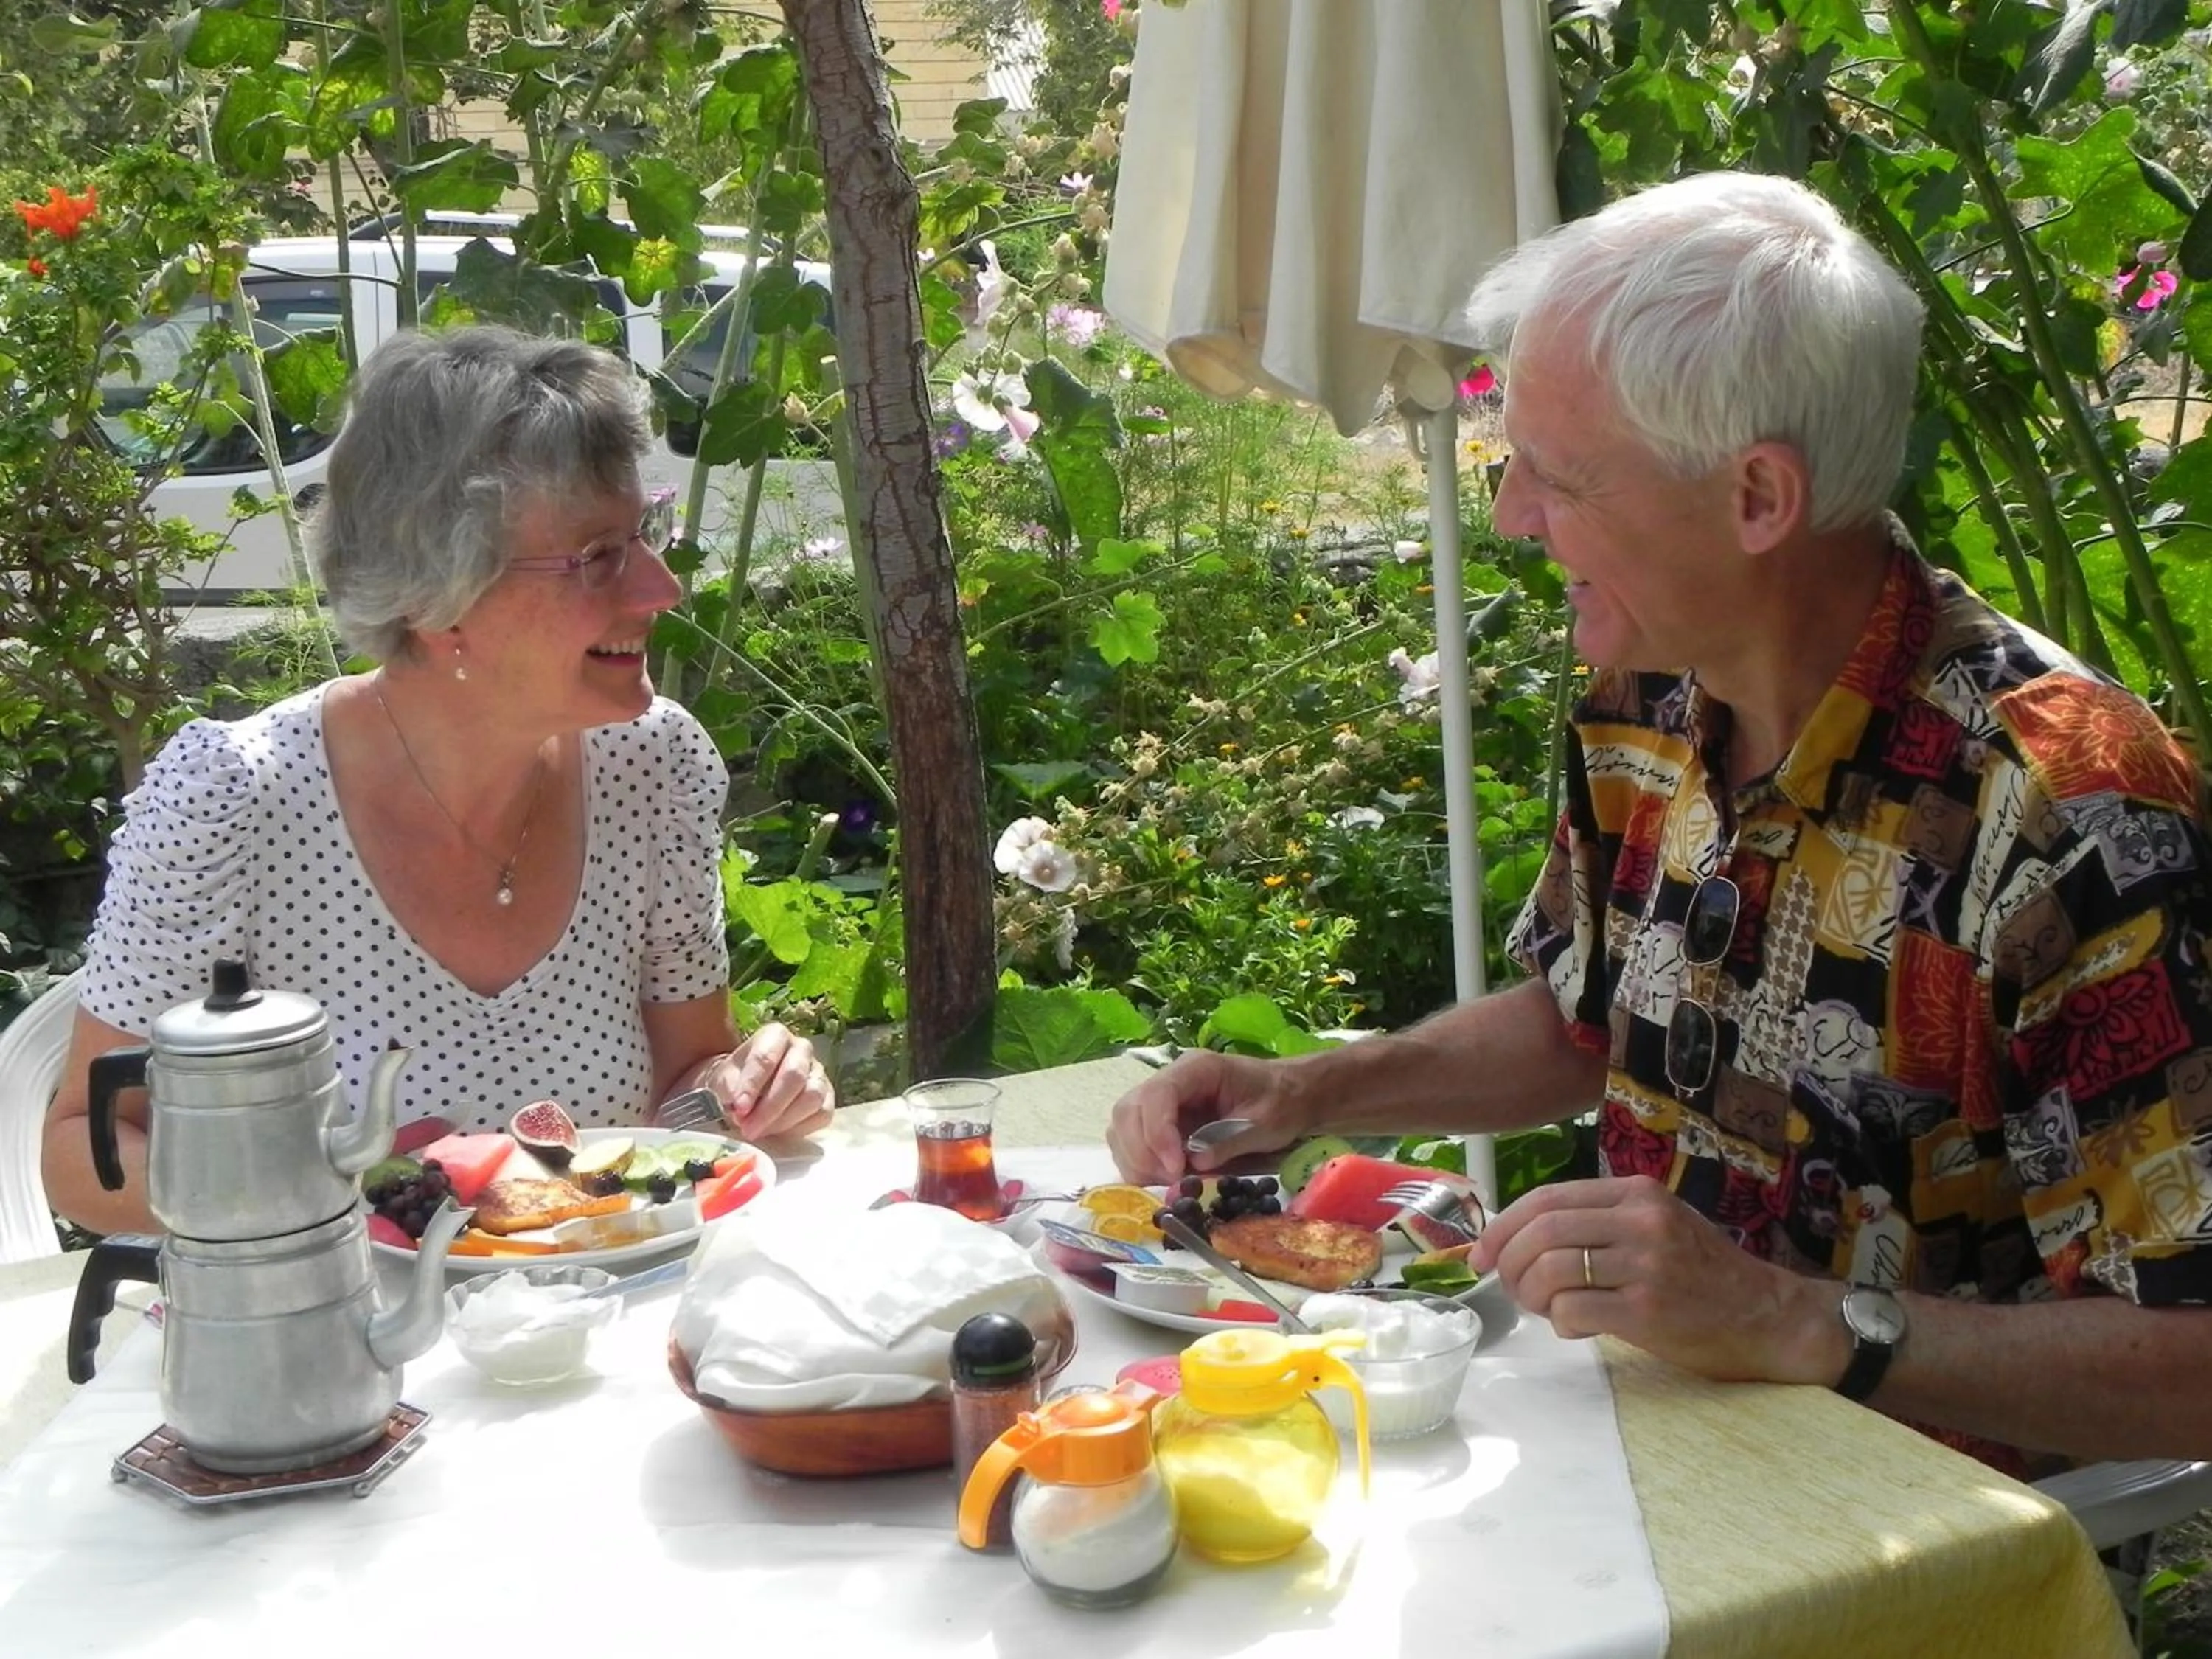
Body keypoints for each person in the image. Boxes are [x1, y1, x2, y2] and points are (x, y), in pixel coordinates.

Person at [1108, 172, 2212, 1470]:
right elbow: (1588, 1016)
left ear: (1757, 498)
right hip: (1631, 1445)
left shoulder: (2072, 810)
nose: (1514, 513)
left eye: (1561, 477)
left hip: (1922, 1541)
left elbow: (2191, 1358)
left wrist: (1798, 1323)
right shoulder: (1650, 687)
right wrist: (1315, 1090)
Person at [44, 326, 835, 1237]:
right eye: (598, 556)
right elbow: (82, 1150)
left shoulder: (652, 764)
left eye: (643, 536)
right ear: (436, 600)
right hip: (336, 1339)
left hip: (597, 1318)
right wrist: (327, 1204)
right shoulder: (233, 798)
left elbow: (681, 1086)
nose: (661, 588)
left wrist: (751, 1092)